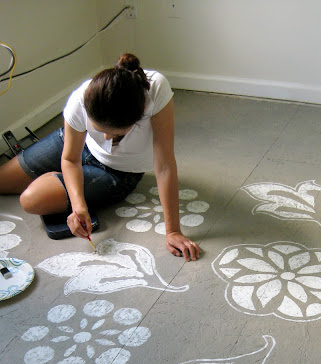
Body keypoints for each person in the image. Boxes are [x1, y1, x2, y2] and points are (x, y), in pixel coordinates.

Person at [0, 53, 201, 261]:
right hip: (77, 145)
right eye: (99, 129)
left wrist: (173, 231)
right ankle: (59, 181)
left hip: (117, 172)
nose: (106, 138)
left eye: (116, 134)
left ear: (140, 113)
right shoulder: (81, 98)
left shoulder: (156, 90)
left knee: (31, 199)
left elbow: (164, 164)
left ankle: (56, 181)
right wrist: (79, 206)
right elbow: (70, 159)